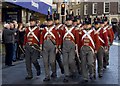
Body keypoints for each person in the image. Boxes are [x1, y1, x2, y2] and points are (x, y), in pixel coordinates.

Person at [79, 16, 100, 83]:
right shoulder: (81, 32)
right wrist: (79, 49)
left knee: (90, 63)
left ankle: (91, 73)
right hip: (83, 48)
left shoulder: (94, 32)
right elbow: (79, 41)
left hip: (90, 49)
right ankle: (85, 77)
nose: (86, 26)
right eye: (85, 24)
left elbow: (97, 42)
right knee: (83, 63)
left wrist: (96, 49)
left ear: (90, 25)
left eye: (88, 24)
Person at [40, 11, 59, 81]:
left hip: (52, 46)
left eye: (50, 21)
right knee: (45, 62)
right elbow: (42, 38)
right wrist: (41, 45)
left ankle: (54, 72)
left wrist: (57, 47)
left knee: (52, 61)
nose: (48, 22)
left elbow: (57, 38)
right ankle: (47, 76)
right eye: (47, 21)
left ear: (52, 21)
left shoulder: (55, 29)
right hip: (45, 46)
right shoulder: (44, 29)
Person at [61, 11, 79, 82]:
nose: (68, 22)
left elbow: (77, 39)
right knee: (65, 61)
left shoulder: (75, 29)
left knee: (71, 61)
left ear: (72, 21)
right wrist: (59, 46)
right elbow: (61, 38)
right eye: (67, 20)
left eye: (70, 20)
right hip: (65, 46)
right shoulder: (63, 29)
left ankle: (74, 71)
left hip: (72, 46)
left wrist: (76, 48)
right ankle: (66, 75)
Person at [23, 16, 41, 80]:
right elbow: (25, 37)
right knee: (27, 61)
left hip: (35, 46)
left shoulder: (38, 29)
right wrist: (24, 44)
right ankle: (29, 74)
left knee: (34, 60)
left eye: (32, 21)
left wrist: (40, 45)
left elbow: (40, 38)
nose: (31, 22)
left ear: (35, 22)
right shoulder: (27, 29)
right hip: (28, 46)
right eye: (30, 21)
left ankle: (38, 68)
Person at [53, 11, 64, 75]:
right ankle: (54, 72)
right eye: (55, 20)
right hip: (53, 44)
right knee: (53, 59)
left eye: (57, 19)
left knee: (59, 59)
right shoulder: (53, 27)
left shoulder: (62, 26)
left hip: (60, 44)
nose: (56, 21)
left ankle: (62, 68)